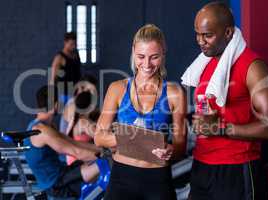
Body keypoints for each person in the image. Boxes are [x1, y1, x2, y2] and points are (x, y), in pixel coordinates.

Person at [183, 2, 268, 200]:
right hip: (202, 166)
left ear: (228, 32)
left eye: (207, 35)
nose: (200, 41)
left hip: (237, 168)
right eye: (197, 34)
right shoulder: (205, 63)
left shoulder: (252, 67)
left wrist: (221, 128)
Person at [94, 24, 187, 200]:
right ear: (133, 52)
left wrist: (170, 150)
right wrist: (135, 138)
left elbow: (180, 147)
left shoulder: (175, 93)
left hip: (157, 179)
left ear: (164, 53)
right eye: (141, 57)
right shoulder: (117, 88)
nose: (146, 64)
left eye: (154, 57)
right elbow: (99, 137)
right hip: (122, 178)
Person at [24, 85, 105, 199]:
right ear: (56, 105)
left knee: (104, 163)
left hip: (61, 173)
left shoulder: (44, 126)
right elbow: (76, 151)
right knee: (107, 163)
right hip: (56, 185)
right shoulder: (42, 131)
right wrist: (107, 155)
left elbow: (73, 143)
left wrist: (103, 150)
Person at [60, 75, 99, 165]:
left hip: (77, 152)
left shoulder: (81, 108)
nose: (93, 95)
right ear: (80, 89)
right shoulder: (73, 106)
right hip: (69, 155)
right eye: (89, 91)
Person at [50, 32, 82, 104]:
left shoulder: (76, 54)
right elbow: (52, 78)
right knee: (68, 113)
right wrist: (52, 98)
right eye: (71, 44)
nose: (73, 46)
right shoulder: (59, 58)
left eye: (75, 44)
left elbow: (78, 73)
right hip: (64, 93)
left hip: (76, 91)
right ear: (65, 42)